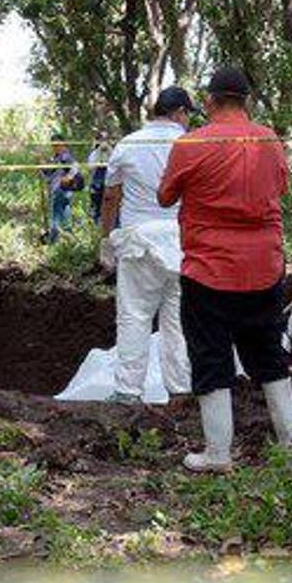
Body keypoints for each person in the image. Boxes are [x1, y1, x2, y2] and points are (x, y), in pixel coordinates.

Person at [157, 67, 292, 472]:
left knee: (210, 355)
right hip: (264, 266)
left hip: (209, 270)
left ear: (210, 101)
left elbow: (165, 196)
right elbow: (281, 188)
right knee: (270, 352)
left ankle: (218, 453)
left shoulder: (191, 144)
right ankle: (290, 445)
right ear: (246, 101)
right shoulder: (269, 139)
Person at [99, 87, 197, 404]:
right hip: (181, 242)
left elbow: (111, 196)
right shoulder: (191, 145)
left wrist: (105, 238)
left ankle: (128, 392)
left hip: (139, 241)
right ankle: (180, 390)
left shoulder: (128, 144)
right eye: (188, 115)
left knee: (134, 315)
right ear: (180, 112)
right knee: (177, 320)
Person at [40, 134, 85, 244]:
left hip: (61, 190)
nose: (55, 148)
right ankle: (69, 240)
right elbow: (48, 175)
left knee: (56, 216)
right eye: (53, 145)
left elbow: (75, 166)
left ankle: (53, 240)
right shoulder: (56, 158)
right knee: (65, 215)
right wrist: (42, 164)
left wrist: (68, 177)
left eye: (57, 145)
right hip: (60, 190)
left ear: (63, 144)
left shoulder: (65, 156)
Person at [86, 131, 112, 225]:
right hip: (96, 184)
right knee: (96, 207)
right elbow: (90, 167)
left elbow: (116, 164)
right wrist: (98, 151)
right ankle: (96, 223)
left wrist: (109, 150)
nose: (104, 142)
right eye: (101, 139)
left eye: (106, 139)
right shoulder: (94, 154)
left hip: (109, 184)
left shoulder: (112, 152)